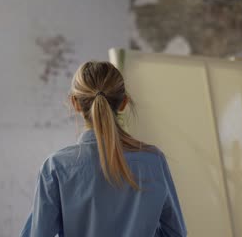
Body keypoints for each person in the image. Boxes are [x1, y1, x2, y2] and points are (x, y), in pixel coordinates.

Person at [20, 61, 187, 237]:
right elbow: (175, 233)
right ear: (123, 103)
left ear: (75, 103)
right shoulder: (153, 161)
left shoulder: (56, 167)